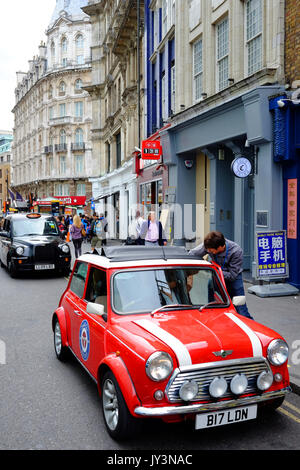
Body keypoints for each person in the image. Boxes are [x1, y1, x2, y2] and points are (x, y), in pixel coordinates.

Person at [189, 231, 253, 319]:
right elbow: (192, 254)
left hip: (233, 278)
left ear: (220, 247)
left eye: (211, 251)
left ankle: (250, 327)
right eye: (207, 250)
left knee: (241, 309)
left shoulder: (236, 251)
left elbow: (232, 275)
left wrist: (212, 269)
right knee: (210, 305)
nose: (208, 251)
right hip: (216, 275)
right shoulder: (209, 244)